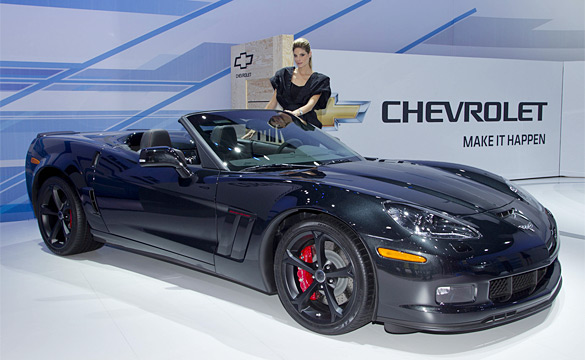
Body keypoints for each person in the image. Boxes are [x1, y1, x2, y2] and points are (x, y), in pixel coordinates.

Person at [265, 38, 331, 129]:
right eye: (295, 55)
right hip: (286, 126)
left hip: (307, 126)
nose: (298, 59)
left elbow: (310, 105)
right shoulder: (283, 74)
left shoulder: (320, 80)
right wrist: (260, 123)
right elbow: (272, 103)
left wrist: (294, 114)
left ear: (309, 54)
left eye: (302, 55)